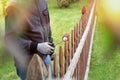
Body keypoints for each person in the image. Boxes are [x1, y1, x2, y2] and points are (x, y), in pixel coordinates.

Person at [5, 0, 55, 80]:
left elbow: (47, 25)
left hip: (45, 58)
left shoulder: (42, 1)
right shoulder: (14, 7)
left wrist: (50, 43)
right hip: (27, 63)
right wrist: (36, 46)